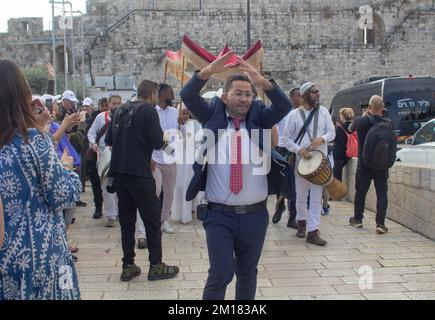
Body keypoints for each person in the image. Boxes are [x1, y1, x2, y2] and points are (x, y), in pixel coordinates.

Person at [180, 52, 292, 300]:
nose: (243, 98)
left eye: (248, 94)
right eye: (238, 93)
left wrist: (260, 80)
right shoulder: (212, 117)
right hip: (219, 215)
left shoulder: (260, 118)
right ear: (224, 97)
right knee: (220, 273)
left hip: (255, 216)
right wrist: (208, 71)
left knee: (247, 273)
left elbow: (284, 106)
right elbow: (187, 95)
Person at [0, 59, 81, 299]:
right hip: (42, 253)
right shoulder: (32, 140)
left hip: (5, 254)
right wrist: (66, 169)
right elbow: (62, 195)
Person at [105, 80, 179, 282]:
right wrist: (166, 145)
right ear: (153, 94)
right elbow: (156, 141)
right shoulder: (148, 111)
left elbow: (109, 140)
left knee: (127, 222)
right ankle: (156, 265)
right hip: (140, 174)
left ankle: (128, 265)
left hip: (120, 175)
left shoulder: (120, 110)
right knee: (152, 220)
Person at [281, 82, 335, 246]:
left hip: (320, 161)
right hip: (301, 162)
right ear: (305, 95)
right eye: (314, 92)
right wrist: (299, 150)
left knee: (317, 197)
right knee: (301, 195)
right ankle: (301, 223)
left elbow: (332, 132)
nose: (318, 94)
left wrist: (322, 139)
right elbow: (284, 139)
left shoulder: (324, 112)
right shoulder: (294, 115)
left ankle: (313, 231)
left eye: (318, 91)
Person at [348, 95, 390, 234]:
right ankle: (380, 224)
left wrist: (364, 115)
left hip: (364, 164)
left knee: (360, 192)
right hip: (381, 165)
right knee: (382, 193)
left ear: (370, 107)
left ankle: (358, 220)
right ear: (382, 108)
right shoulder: (388, 123)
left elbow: (350, 128)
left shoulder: (361, 122)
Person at [88, 93, 122, 226]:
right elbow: (91, 132)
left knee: (120, 185)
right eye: (114, 103)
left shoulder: (125, 117)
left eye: (118, 103)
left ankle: (120, 212)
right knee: (106, 186)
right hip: (104, 154)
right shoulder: (101, 117)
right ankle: (111, 215)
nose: (116, 106)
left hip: (120, 155)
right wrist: (93, 143)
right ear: (109, 104)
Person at [273, 87, 302, 229]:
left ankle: (292, 217)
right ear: (291, 97)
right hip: (281, 149)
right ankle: (280, 205)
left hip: (297, 150)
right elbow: (274, 129)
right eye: (299, 95)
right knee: (280, 181)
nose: (302, 98)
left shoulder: (304, 114)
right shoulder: (283, 112)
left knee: (294, 184)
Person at [151, 84, 179, 234]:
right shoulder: (151, 112)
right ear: (162, 95)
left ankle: (164, 220)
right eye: (171, 93)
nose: (173, 97)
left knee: (169, 191)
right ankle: (153, 220)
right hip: (154, 158)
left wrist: (182, 123)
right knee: (154, 191)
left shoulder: (175, 112)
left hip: (170, 157)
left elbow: (180, 132)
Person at [171, 105, 204, 224]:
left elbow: (197, 140)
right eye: (182, 113)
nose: (184, 116)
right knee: (178, 187)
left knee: (190, 185)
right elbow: (168, 143)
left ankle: (192, 211)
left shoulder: (195, 124)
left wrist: (183, 128)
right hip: (178, 160)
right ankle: (179, 213)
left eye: (186, 113)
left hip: (191, 160)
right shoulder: (173, 124)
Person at [333, 107, 355, 181]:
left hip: (340, 156)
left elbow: (333, 138)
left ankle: (339, 191)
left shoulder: (339, 128)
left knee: (336, 175)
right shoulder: (353, 127)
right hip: (349, 154)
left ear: (342, 116)